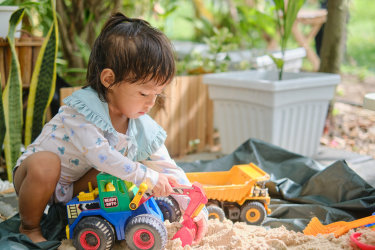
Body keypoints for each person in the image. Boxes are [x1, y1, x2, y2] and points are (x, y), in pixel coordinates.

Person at [13, 12, 208, 245]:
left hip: (73, 188)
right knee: (48, 163)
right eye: (144, 93)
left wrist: (195, 208)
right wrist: (146, 176)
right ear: (109, 80)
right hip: (34, 179)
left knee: (122, 169)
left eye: (157, 94)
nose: (151, 102)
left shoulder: (138, 123)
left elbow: (167, 167)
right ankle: (29, 227)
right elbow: (100, 155)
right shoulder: (82, 110)